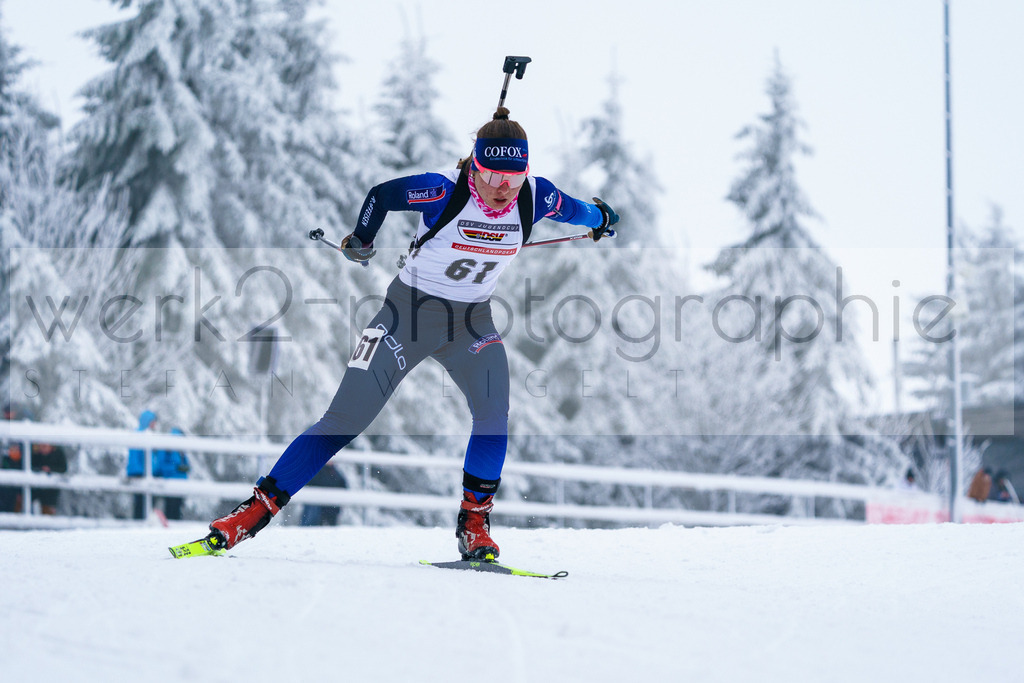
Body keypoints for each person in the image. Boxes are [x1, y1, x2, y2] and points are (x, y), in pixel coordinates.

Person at [202, 106, 619, 559]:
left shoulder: (535, 196)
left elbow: (577, 209)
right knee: (344, 421)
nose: (504, 187)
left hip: (471, 323)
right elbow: (381, 196)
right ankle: (251, 513)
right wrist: (362, 238)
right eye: (494, 175)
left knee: (494, 413)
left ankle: (474, 524)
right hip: (406, 318)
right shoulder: (442, 189)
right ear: (474, 165)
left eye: (514, 178)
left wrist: (599, 219)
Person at [127, 409, 159, 519]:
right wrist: (139, 472)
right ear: (147, 421)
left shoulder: (147, 435)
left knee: (146, 503)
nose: (155, 424)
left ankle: (143, 522)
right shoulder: (139, 435)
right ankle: (140, 524)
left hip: (145, 473)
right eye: (153, 421)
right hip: (139, 474)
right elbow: (135, 457)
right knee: (141, 503)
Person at [155, 427, 190, 520]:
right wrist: (175, 468)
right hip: (170, 482)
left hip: (181, 483)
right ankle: (170, 528)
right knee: (170, 508)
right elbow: (162, 463)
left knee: (178, 508)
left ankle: (175, 527)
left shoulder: (180, 450)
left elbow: (185, 464)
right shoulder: (168, 447)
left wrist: (183, 468)